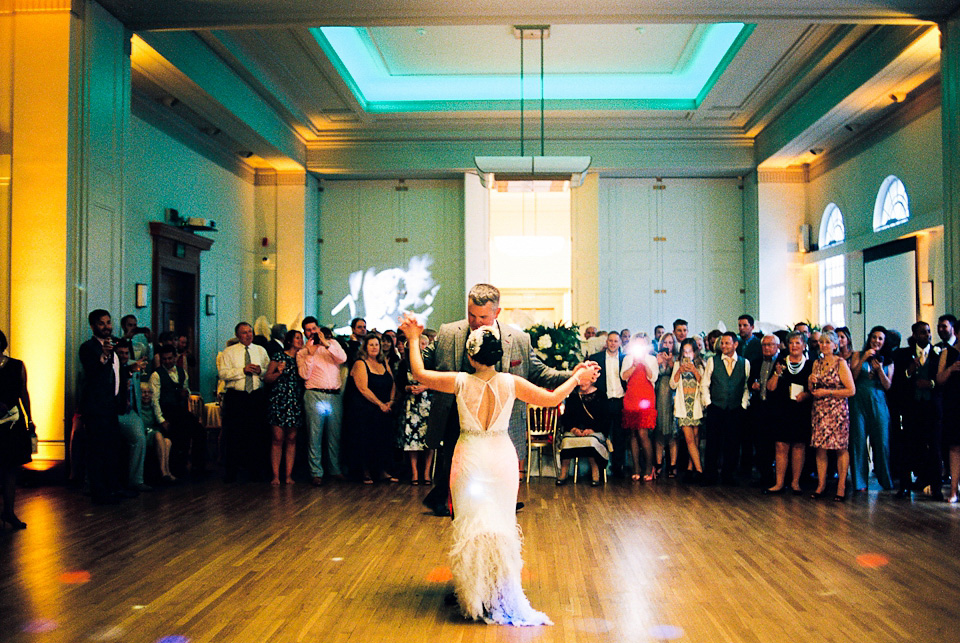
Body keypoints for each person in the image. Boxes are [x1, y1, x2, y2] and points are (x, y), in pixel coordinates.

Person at [400, 313, 592, 625]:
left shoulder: (460, 382)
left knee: (471, 525)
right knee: (501, 524)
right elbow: (552, 398)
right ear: (498, 355)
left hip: (470, 458)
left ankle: (474, 598)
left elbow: (419, 373)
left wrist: (412, 338)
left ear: (471, 355)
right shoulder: (511, 382)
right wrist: (576, 377)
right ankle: (500, 593)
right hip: (502, 458)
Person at [420, 284, 591, 516]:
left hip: (502, 426)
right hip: (456, 421)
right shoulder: (449, 332)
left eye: (482, 316)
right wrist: (412, 340)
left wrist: (573, 375)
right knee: (456, 477)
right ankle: (452, 504)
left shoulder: (519, 339)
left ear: (497, 313)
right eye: (471, 315)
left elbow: (541, 373)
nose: (475, 322)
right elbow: (423, 363)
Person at [79, 309, 129, 504]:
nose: (107, 327)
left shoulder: (115, 345)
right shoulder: (88, 348)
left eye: (108, 322)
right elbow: (92, 373)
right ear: (93, 326)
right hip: (95, 407)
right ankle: (98, 492)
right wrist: (104, 355)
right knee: (96, 450)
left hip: (111, 406)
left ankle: (114, 487)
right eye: (102, 323)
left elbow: (118, 373)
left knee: (112, 448)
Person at [891, 321, 942, 499]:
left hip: (931, 408)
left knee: (934, 448)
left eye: (928, 332)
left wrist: (931, 384)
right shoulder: (903, 354)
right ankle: (905, 486)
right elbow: (897, 381)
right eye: (922, 332)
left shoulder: (938, 354)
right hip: (911, 408)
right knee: (908, 446)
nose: (926, 335)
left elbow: (942, 381)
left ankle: (936, 487)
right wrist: (909, 372)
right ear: (914, 335)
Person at [218, 322, 271, 482]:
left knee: (256, 433)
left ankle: (254, 471)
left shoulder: (260, 350)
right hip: (237, 396)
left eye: (250, 332)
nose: (248, 335)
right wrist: (242, 371)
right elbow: (223, 374)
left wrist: (259, 371)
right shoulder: (229, 352)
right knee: (234, 434)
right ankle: (231, 472)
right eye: (244, 333)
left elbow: (269, 370)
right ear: (237, 335)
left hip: (255, 395)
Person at [298, 319, 347, 486]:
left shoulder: (332, 343)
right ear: (305, 333)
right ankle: (316, 472)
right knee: (315, 435)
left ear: (318, 329)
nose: (311, 332)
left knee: (335, 435)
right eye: (308, 330)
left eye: (314, 328)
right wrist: (310, 354)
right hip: (315, 394)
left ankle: (335, 469)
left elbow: (342, 358)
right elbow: (304, 375)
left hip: (334, 395)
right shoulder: (302, 352)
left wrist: (326, 344)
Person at [808, 330, 856, 501]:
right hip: (820, 410)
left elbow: (851, 390)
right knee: (820, 448)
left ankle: (841, 486)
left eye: (828, 342)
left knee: (840, 448)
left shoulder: (841, 363)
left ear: (835, 345)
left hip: (837, 410)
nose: (824, 345)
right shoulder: (817, 363)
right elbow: (812, 390)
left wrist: (828, 392)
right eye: (821, 342)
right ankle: (821, 485)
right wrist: (810, 382)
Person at [763, 332, 812, 494]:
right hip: (781, 410)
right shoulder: (781, 362)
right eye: (791, 343)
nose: (794, 346)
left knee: (798, 446)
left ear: (804, 345)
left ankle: (795, 483)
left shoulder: (810, 364)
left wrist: (806, 395)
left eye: (798, 343)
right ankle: (779, 483)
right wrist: (777, 373)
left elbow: (814, 390)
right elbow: (770, 387)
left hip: (801, 410)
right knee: (781, 446)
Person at [344, 334, 396, 483]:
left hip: (384, 409)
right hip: (365, 409)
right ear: (365, 347)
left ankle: (381, 470)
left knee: (382, 441)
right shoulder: (360, 363)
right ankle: (365, 472)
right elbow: (362, 388)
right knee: (365, 440)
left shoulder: (383, 362)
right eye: (371, 344)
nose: (374, 347)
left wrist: (390, 401)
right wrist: (380, 403)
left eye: (377, 345)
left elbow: (392, 382)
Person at [150, 345, 207, 477]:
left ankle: (197, 467)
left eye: (170, 358)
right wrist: (161, 420)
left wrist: (185, 393)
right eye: (164, 359)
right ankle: (177, 470)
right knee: (179, 435)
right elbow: (155, 400)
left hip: (180, 410)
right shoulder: (156, 375)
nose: (168, 361)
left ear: (175, 357)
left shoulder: (182, 372)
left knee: (200, 431)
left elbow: (186, 389)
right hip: (166, 411)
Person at [849, 326, 894, 492]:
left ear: (884, 342)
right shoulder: (857, 355)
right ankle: (860, 482)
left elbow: (888, 385)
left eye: (880, 338)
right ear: (869, 339)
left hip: (878, 401)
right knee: (858, 440)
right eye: (874, 337)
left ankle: (885, 479)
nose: (877, 341)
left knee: (882, 441)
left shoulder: (889, 361)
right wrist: (863, 359)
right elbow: (852, 376)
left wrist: (880, 370)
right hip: (859, 401)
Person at [701, 332, 750, 485]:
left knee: (733, 443)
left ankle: (728, 475)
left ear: (735, 345)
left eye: (727, 343)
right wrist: (708, 403)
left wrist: (743, 405)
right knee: (713, 443)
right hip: (716, 406)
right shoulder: (712, 361)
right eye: (722, 343)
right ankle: (710, 475)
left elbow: (746, 386)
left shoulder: (744, 363)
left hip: (735, 408)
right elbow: (705, 384)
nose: (723, 346)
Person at [0, 330, 33, 529]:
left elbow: (23, 393)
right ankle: (8, 512)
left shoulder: (16, 365)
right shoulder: (15, 365)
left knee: (10, 468)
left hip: (12, 422)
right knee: (9, 469)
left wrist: (29, 418)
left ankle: (9, 511)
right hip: (12, 420)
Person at [264, 329, 305, 485]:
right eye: (297, 338)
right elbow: (267, 378)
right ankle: (275, 475)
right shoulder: (279, 356)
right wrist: (279, 372)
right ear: (289, 340)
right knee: (277, 438)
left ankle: (288, 475)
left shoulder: (303, 358)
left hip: (295, 400)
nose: (300, 341)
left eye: (301, 338)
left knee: (292, 438)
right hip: (280, 399)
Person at [555, 374, 610, 486]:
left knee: (591, 442)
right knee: (566, 441)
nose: (582, 383)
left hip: (595, 431)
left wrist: (592, 430)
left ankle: (595, 471)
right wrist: (573, 429)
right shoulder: (574, 396)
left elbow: (605, 418)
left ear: (592, 380)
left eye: (585, 380)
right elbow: (567, 417)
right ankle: (564, 472)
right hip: (576, 431)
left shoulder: (601, 395)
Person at [115, 340, 152, 492]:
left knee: (139, 438)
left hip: (130, 411)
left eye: (126, 353)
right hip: (113, 411)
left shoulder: (133, 364)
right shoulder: (111, 366)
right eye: (120, 353)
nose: (124, 356)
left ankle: (136, 480)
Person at [397, 333, 434, 485]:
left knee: (429, 439)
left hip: (428, 404)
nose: (421, 347)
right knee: (412, 438)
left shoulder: (431, 362)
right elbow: (399, 383)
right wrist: (408, 387)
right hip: (411, 405)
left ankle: (426, 473)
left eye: (424, 344)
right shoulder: (404, 363)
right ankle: (414, 472)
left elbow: (438, 381)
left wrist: (425, 386)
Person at [621, 335, 658, 481]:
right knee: (633, 434)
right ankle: (636, 467)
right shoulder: (627, 358)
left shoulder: (652, 359)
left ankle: (649, 467)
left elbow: (653, 377)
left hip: (646, 398)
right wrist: (634, 365)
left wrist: (644, 362)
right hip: (631, 397)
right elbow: (623, 376)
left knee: (643, 433)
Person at [589, 332, 625, 476]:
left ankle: (618, 468)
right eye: (610, 340)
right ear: (606, 341)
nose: (613, 343)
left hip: (620, 401)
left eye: (616, 341)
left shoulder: (625, 359)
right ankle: (599, 468)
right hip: (602, 401)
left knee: (619, 437)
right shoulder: (596, 358)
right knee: (601, 435)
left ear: (620, 343)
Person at [670, 337, 705, 481]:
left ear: (694, 352)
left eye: (690, 351)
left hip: (696, 405)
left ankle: (691, 468)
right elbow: (672, 384)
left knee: (696, 439)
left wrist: (695, 371)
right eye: (685, 351)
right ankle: (700, 470)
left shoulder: (701, 364)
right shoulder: (678, 363)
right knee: (689, 439)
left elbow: (704, 384)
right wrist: (679, 371)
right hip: (683, 406)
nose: (687, 354)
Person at [936, 337, 960, 502]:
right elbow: (939, 379)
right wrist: (951, 368)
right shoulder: (947, 352)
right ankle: (953, 491)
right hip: (954, 404)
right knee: (954, 447)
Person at [653, 332, 678, 478]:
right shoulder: (655, 357)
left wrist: (669, 363)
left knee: (672, 433)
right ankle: (658, 464)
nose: (667, 345)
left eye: (670, 342)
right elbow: (652, 377)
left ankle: (673, 465)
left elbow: (677, 375)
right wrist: (658, 363)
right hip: (658, 398)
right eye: (665, 342)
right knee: (659, 433)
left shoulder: (676, 358)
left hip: (672, 398)